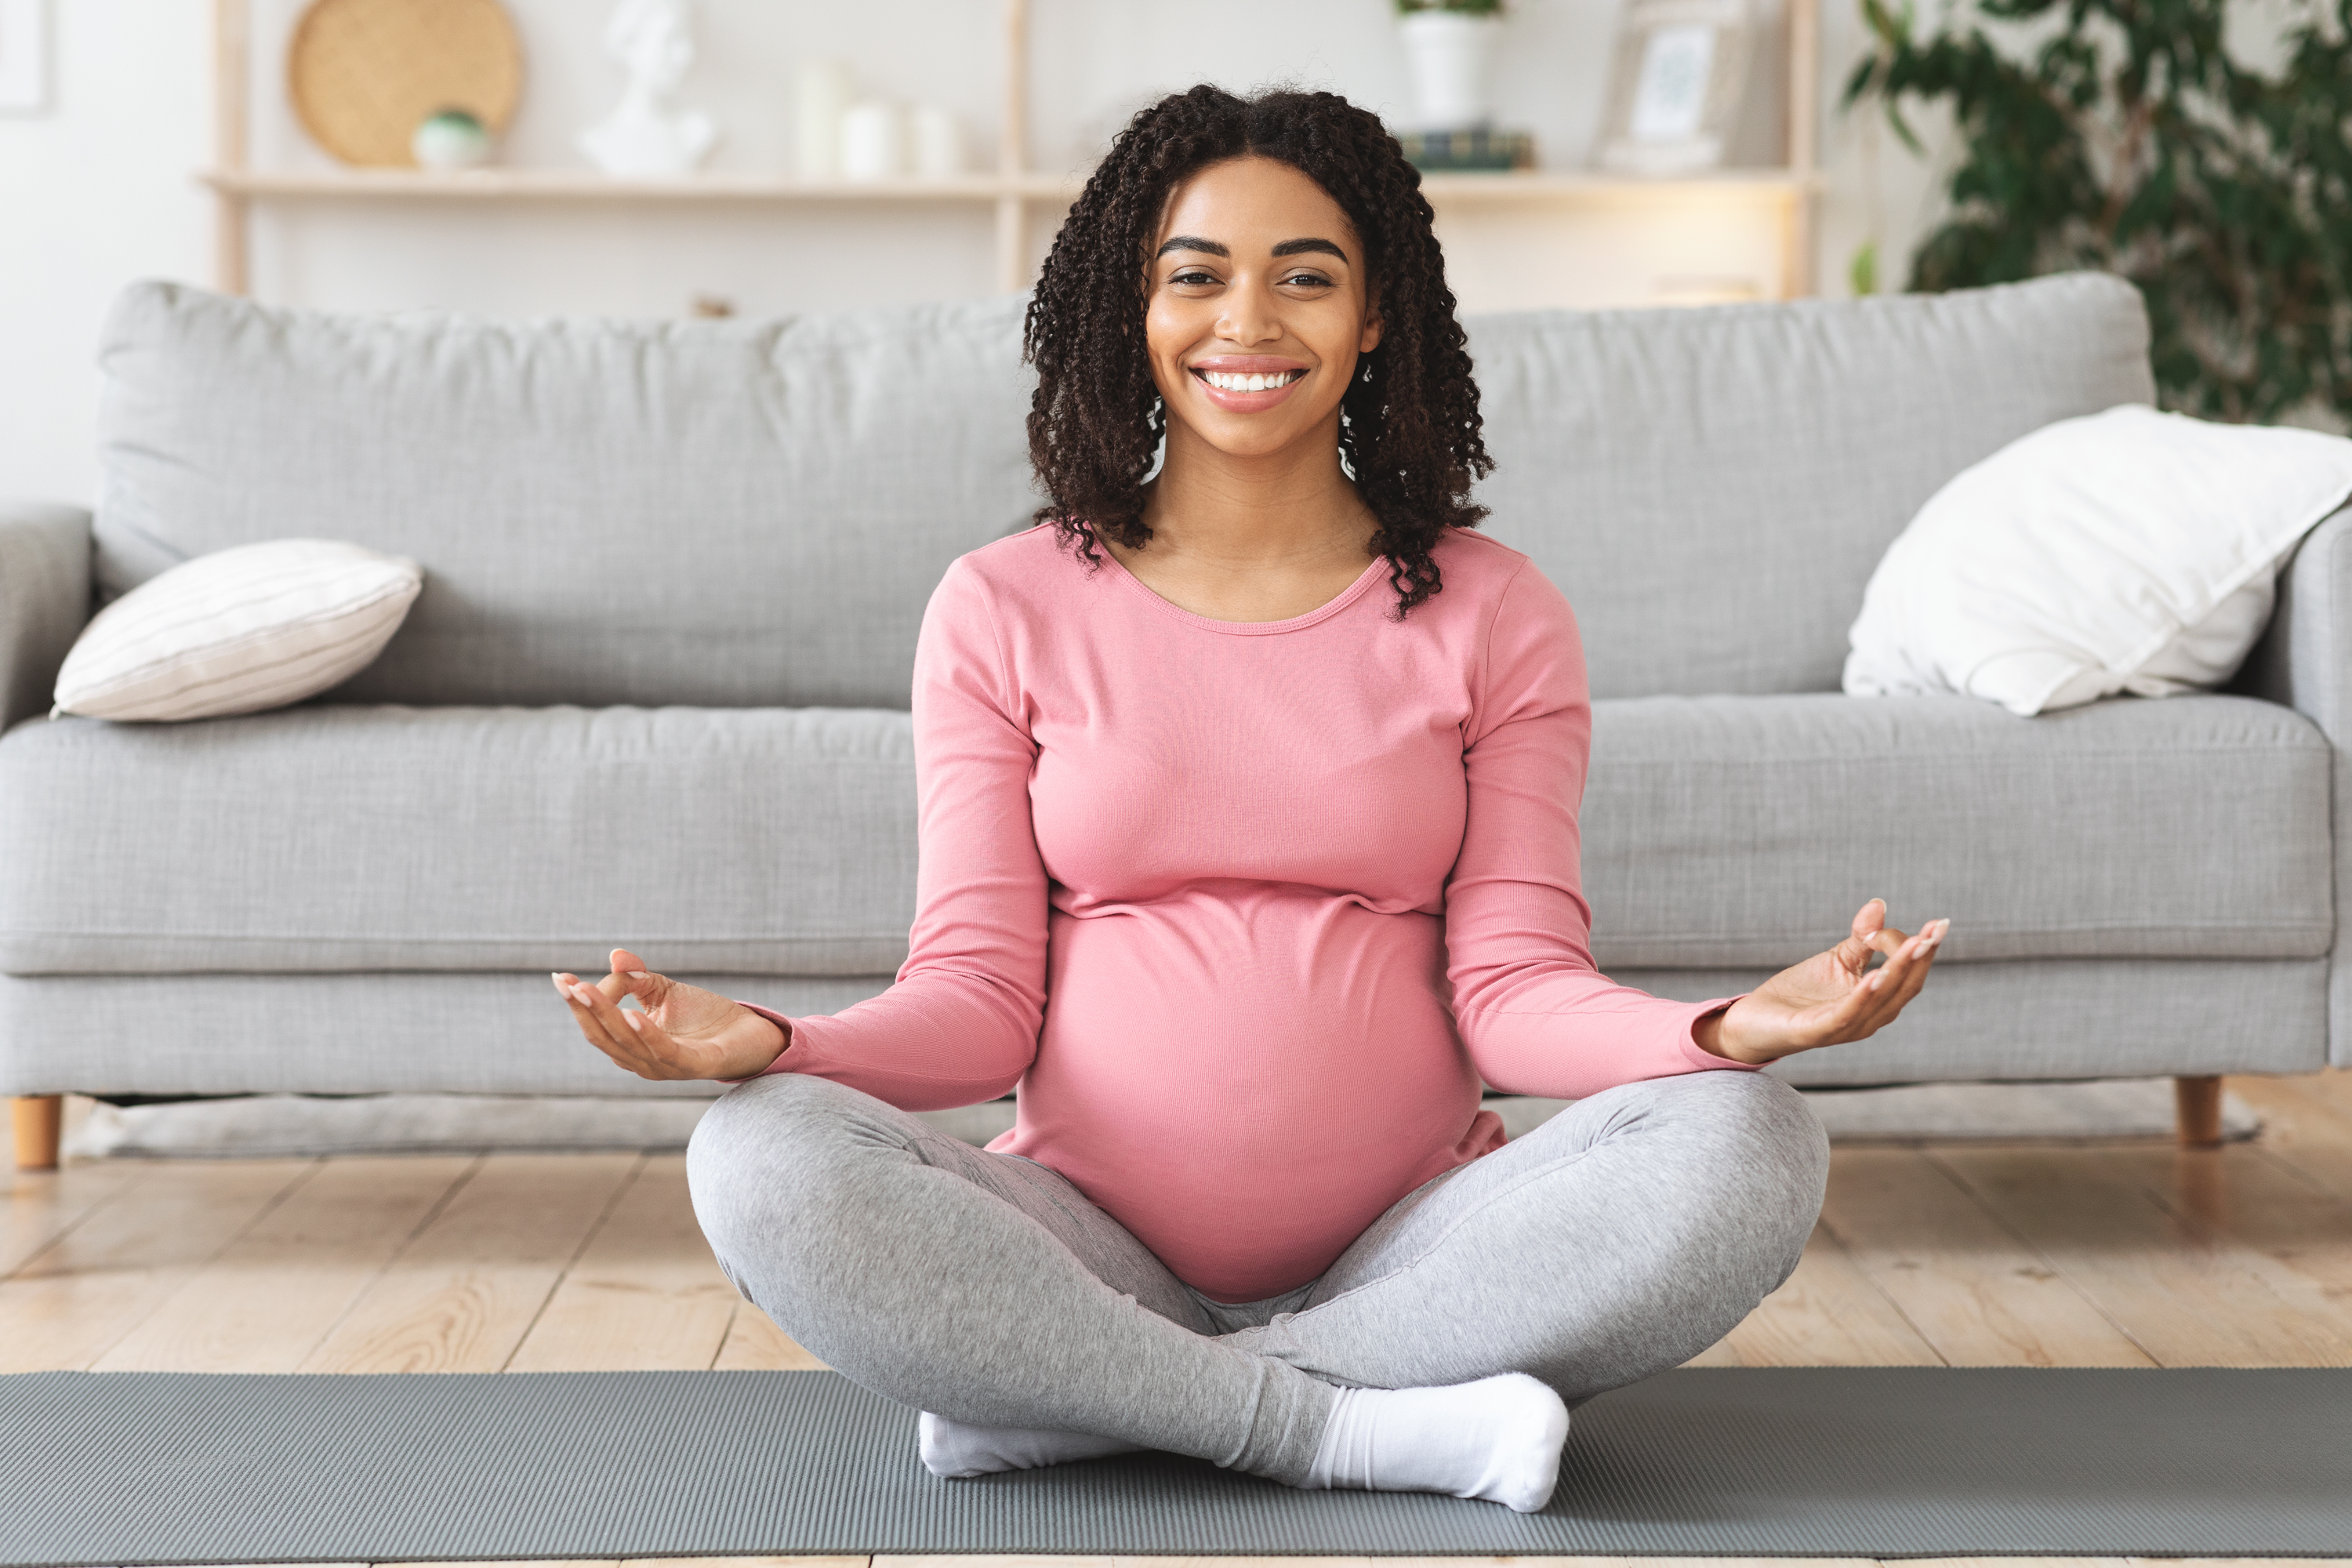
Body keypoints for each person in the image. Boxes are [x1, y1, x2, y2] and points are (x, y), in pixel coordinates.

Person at [554, 85, 1946, 1514]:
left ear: (1378, 313)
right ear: (1132, 310)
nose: (1250, 320)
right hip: (1084, 1243)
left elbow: (1517, 989)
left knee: (1755, 1138)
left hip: (1419, 1255)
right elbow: (977, 1000)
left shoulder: (1497, 612)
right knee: (761, 1152)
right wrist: (776, 1042)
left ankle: (1098, 1398)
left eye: (1307, 276)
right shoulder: (1002, 605)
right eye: (1197, 274)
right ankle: (1345, 1428)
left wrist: (1721, 1031)